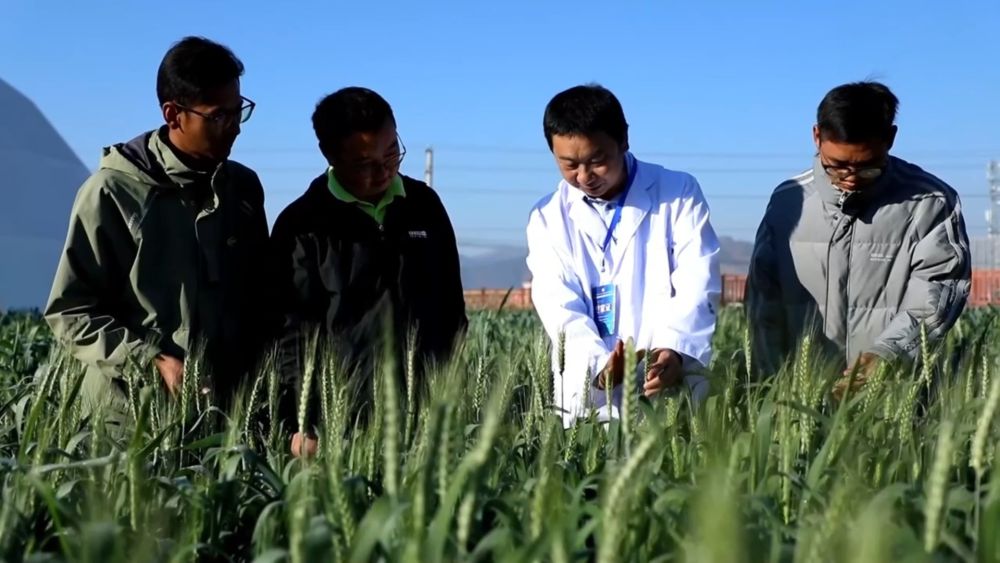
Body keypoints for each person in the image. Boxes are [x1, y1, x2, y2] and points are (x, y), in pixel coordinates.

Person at [45, 36, 270, 423]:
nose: (235, 128)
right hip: (132, 422)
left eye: (239, 112)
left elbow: (260, 300)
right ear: (173, 114)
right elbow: (71, 313)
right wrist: (149, 361)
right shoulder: (111, 193)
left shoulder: (243, 188)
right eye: (219, 116)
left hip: (223, 420)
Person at [271, 87, 467, 456]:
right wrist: (303, 420)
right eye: (364, 164)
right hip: (340, 422)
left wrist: (449, 389)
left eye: (392, 153)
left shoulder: (424, 206)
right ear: (330, 155)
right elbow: (290, 335)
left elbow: (451, 308)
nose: (384, 171)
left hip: (423, 413)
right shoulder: (302, 225)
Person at [745, 81, 971, 393]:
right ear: (816, 136)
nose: (851, 178)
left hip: (894, 395)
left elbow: (938, 289)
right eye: (837, 166)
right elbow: (762, 305)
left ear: (890, 139)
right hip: (799, 400)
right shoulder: (787, 202)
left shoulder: (929, 203)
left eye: (867, 168)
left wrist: (888, 355)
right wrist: (772, 387)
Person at [526, 84, 721, 426]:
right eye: (569, 165)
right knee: (590, 454)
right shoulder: (547, 217)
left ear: (624, 139)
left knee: (672, 449)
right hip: (587, 403)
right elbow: (557, 303)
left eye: (597, 161)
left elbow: (697, 279)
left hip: (665, 390)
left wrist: (674, 349)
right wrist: (598, 366)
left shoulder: (678, 193)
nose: (584, 176)